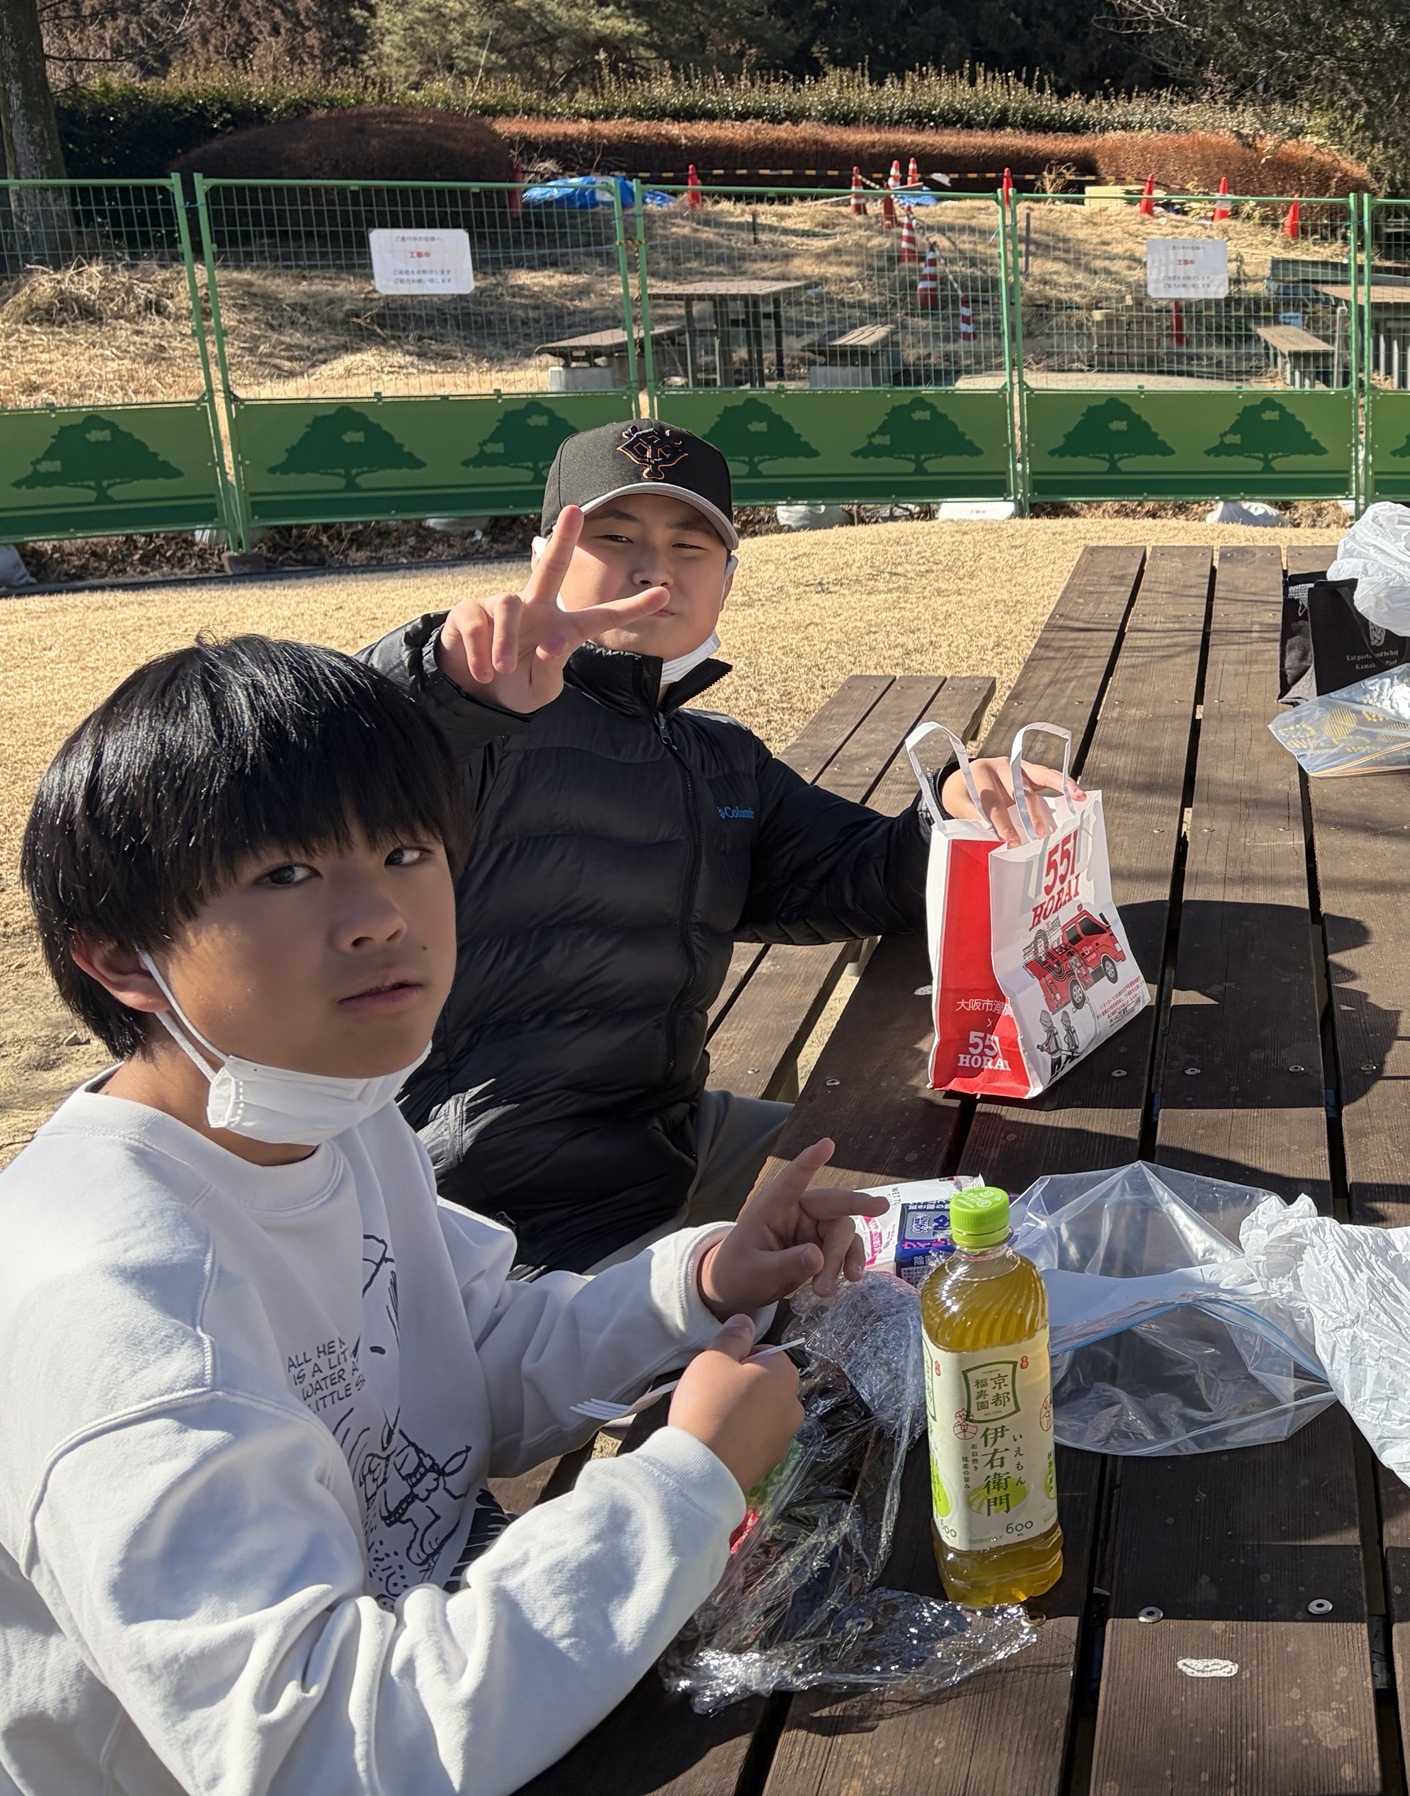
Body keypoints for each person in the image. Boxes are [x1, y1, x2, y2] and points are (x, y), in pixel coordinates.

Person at [0, 635, 881, 1796]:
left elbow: (462, 1363)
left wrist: (702, 1282)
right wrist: (687, 1479)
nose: (377, 916)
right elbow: (327, 1755)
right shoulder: (130, 1315)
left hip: (450, 1641)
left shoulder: (335, 1116)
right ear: (122, 958)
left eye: (406, 850)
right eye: (284, 874)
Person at [366, 421, 926, 1273]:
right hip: (498, 1211)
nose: (654, 569)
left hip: (667, 1136)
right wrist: (441, 681)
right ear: (544, 554)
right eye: (615, 536)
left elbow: (852, 875)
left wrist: (952, 816)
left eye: (690, 545)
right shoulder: (478, 720)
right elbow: (314, 764)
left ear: (728, 579)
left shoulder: (713, 753)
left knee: (945, 1162)